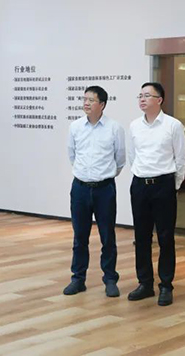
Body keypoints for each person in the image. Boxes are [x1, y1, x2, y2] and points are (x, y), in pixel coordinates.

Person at [127, 82, 185, 306]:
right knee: (141, 236)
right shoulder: (134, 126)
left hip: (164, 184)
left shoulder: (173, 125)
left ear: (159, 100)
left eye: (147, 95)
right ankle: (145, 283)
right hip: (140, 184)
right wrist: (140, 175)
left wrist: (174, 185)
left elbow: (180, 158)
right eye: (140, 96)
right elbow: (132, 156)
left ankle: (166, 285)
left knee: (165, 236)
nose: (142, 99)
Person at [64, 86, 126, 298]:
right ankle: (78, 279)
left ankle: (110, 279)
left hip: (104, 189)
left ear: (102, 104)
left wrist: (104, 175)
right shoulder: (75, 127)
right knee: (79, 236)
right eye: (85, 99)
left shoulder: (114, 128)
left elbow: (120, 159)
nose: (86, 103)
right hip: (80, 188)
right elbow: (72, 155)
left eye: (91, 100)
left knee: (107, 236)